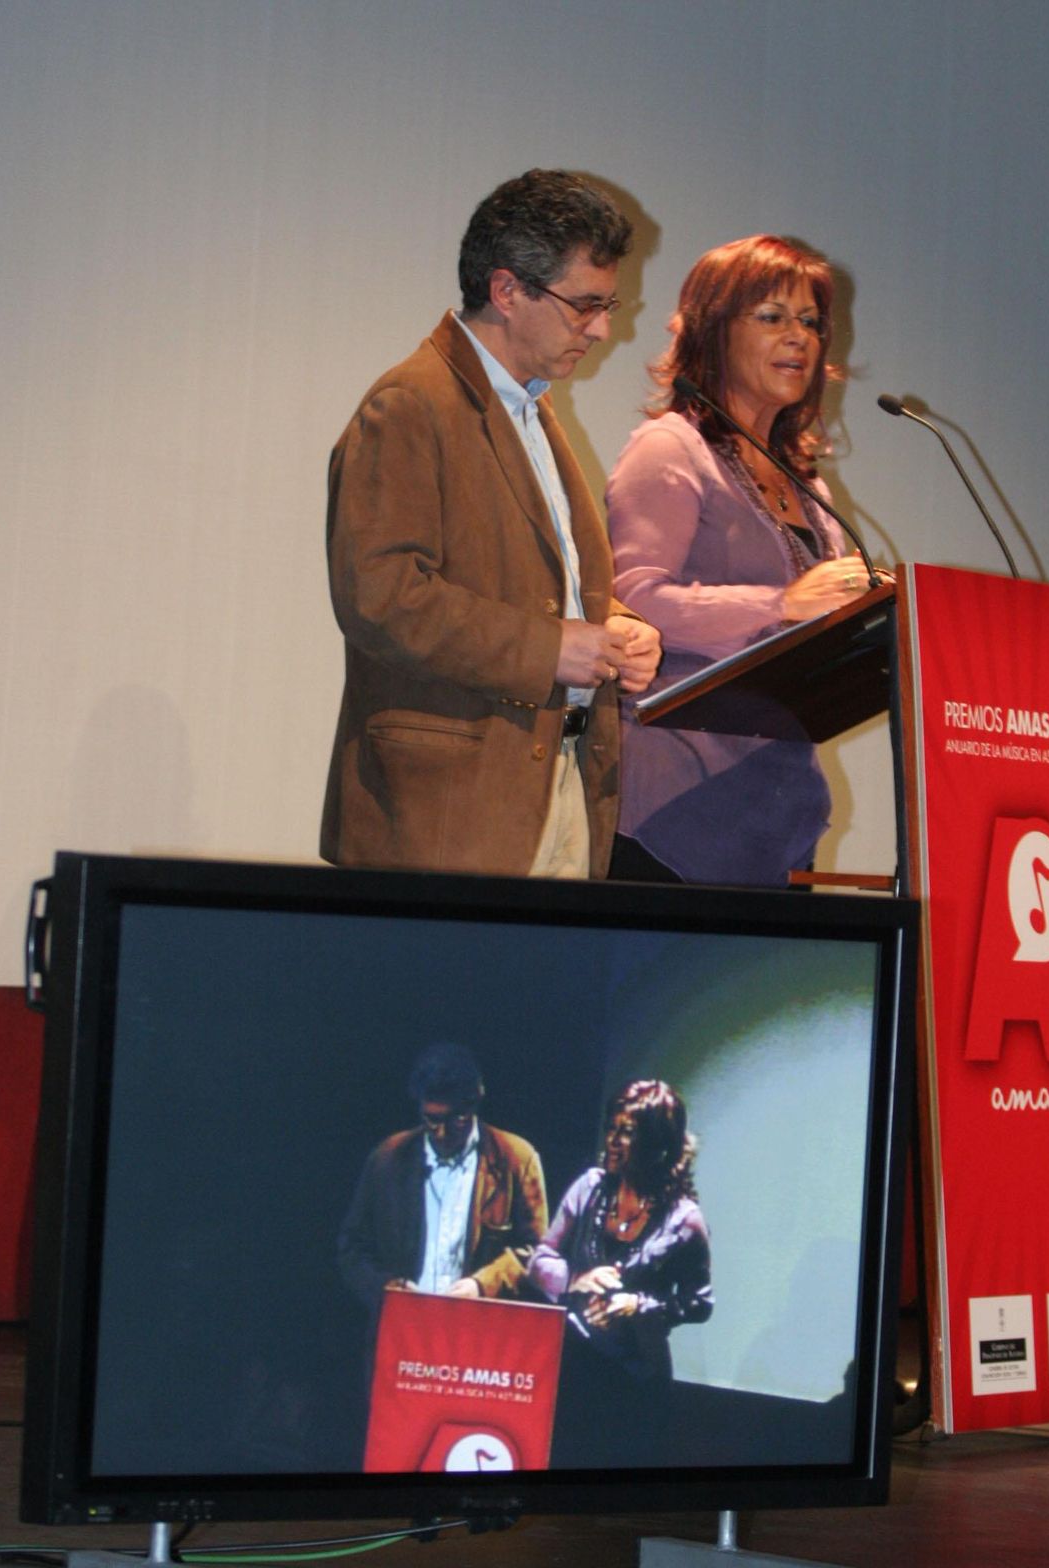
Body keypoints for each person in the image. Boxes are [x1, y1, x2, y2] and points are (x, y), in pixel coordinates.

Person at [321, 169, 662, 878]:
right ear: (507, 291)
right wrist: (549, 649)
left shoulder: (529, 410)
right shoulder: (411, 404)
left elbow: (534, 584)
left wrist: (613, 625)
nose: (602, 329)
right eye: (584, 306)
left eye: (608, 305)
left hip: (550, 785)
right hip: (450, 814)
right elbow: (380, 597)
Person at [605, 234, 881, 886]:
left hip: (776, 807)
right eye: (773, 317)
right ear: (714, 329)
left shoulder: (807, 485)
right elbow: (633, 602)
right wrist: (779, 605)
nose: (799, 338)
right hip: (674, 806)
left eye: (811, 322)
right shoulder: (669, 449)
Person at [528, 1079, 712, 1466]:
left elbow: (700, 1303)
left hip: (636, 1381)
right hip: (572, 1371)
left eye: (626, 1133)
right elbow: (541, 1258)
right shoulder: (589, 1188)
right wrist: (574, 1280)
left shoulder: (684, 1221)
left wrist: (639, 1304)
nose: (612, 1140)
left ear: (657, 1143)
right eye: (611, 1129)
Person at [337, 1042, 547, 1326]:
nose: (442, 1133)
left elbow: (536, 1250)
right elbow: (352, 1247)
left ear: (475, 1101)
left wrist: (482, 1286)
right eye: (431, 1120)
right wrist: (385, 1288)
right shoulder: (387, 1158)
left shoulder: (516, 1159)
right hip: (403, 1328)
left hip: (480, 1332)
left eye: (456, 1120)